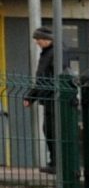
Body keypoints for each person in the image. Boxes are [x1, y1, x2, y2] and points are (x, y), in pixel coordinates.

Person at [23, 27, 57, 172]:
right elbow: (42, 79)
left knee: (52, 130)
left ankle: (57, 163)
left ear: (46, 39)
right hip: (48, 97)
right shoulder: (47, 53)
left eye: (38, 39)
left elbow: (46, 78)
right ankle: (54, 162)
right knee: (48, 129)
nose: (37, 42)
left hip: (53, 97)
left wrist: (31, 96)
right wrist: (31, 97)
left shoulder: (54, 53)